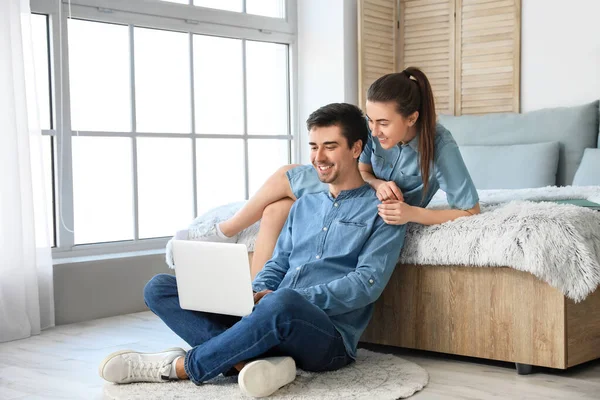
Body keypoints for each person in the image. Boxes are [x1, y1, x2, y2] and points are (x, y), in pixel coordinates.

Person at [98, 103, 408, 398]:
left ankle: (181, 367)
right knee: (160, 288)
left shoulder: (385, 210)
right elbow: (279, 261)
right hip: (269, 314)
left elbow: (365, 285)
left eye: (329, 146)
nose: (318, 157)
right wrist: (255, 292)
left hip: (327, 339)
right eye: (313, 146)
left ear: (355, 148)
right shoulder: (304, 206)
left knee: (285, 301)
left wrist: (285, 299)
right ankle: (251, 363)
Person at [197, 66, 480, 278]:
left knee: (286, 175)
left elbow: (470, 211)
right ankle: (253, 295)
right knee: (275, 210)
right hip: (356, 187)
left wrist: (411, 213)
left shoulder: (440, 146)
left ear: (412, 118)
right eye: (370, 120)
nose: (373, 130)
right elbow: (363, 170)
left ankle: (224, 232)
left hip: (372, 205)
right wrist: (376, 181)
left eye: (383, 122)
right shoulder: (374, 135)